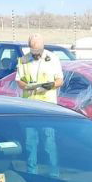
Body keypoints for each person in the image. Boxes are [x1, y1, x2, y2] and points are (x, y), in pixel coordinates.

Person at [16, 35, 63, 174]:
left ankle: (54, 173)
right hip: (30, 107)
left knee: (49, 142)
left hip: (47, 108)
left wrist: (51, 85)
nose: (37, 54)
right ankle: (32, 173)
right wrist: (28, 86)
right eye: (34, 51)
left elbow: (60, 80)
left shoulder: (52, 58)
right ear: (29, 48)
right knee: (31, 143)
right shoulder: (23, 60)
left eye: (39, 51)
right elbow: (19, 81)